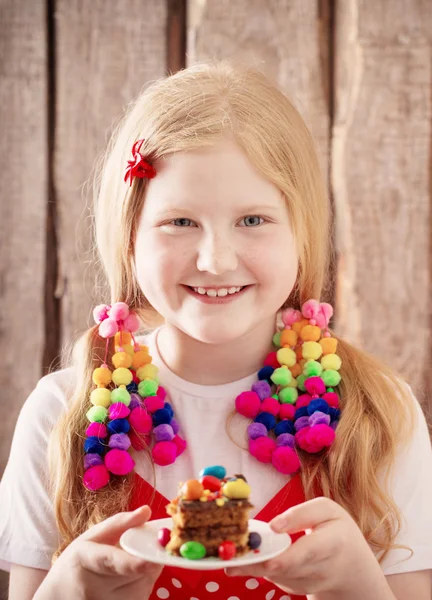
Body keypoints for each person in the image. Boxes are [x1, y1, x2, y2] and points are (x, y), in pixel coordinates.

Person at [1, 61, 431, 600]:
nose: (215, 260)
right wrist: (66, 592)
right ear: (129, 239)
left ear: (302, 233)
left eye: (253, 220)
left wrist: (361, 590)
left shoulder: (378, 415)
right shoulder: (60, 416)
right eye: (180, 222)